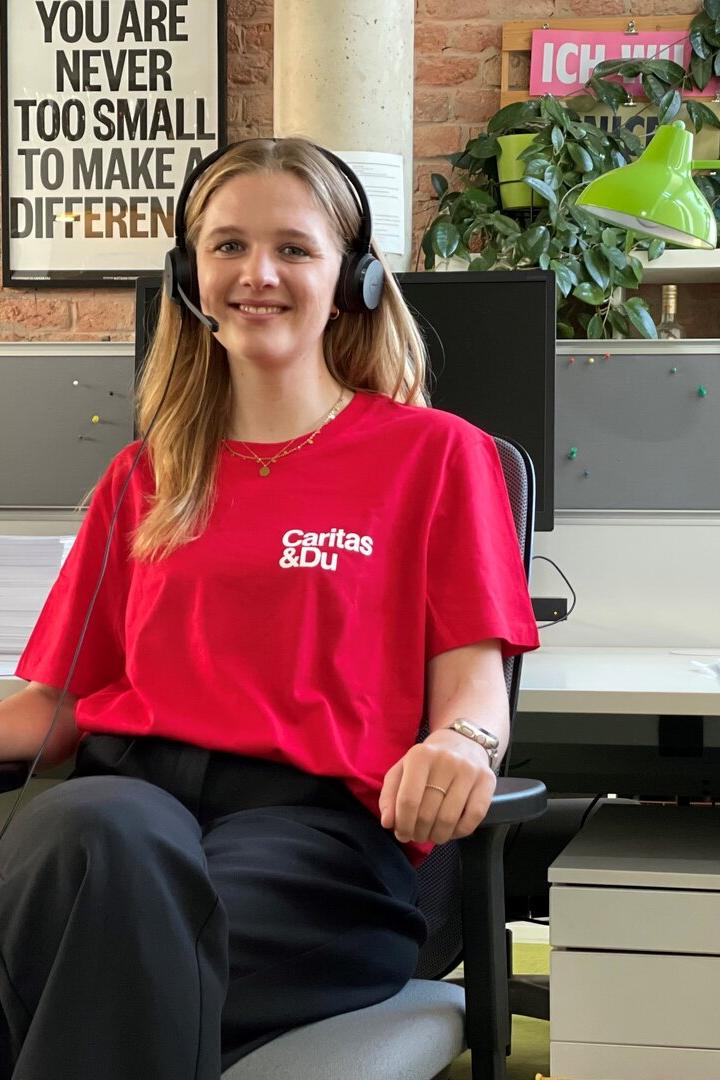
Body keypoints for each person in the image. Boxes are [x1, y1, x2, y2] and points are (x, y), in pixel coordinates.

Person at [0, 137, 540, 1080]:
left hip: (315, 847)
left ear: (352, 280)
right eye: (228, 246)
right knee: (94, 833)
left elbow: (473, 688)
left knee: (100, 932)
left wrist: (464, 745)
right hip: (129, 802)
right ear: (189, 278)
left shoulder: (437, 457)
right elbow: (58, 708)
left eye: (293, 248)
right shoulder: (144, 477)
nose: (258, 274)